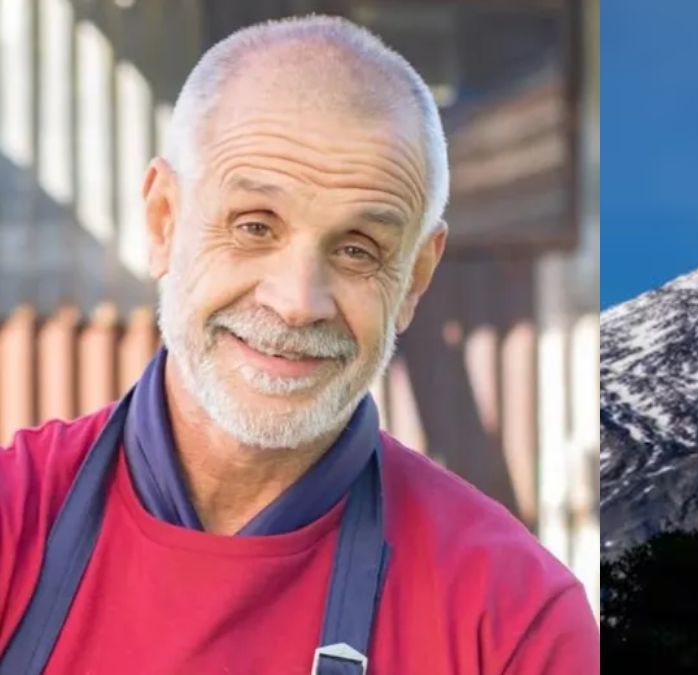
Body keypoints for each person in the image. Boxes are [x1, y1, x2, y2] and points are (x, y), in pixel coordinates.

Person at [0, 15, 598, 675]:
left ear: (414, 280)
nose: (297, 300)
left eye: (356, 249)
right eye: (255, 226)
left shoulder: (515, 623)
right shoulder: (13, 521)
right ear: (164, 219)